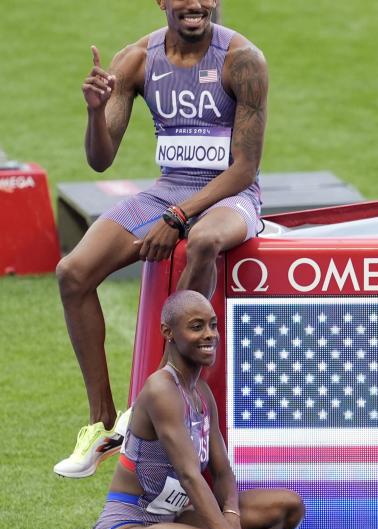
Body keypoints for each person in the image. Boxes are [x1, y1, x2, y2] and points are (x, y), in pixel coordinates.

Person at [55, 0, 267, 479]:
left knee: (203, 243)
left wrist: (180, 215)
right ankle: (103, 422)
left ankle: (153, 394)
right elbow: (100, 160)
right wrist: (93, 112)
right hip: (168, 189)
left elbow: (244, 169)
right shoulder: (135, 59)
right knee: (72, 272)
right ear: (162, 2)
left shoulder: (243, 60)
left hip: (230, 196)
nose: (195, 4)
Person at [92, 290, 303, 529]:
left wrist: (232, 520)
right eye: (196, 326)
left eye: (213, 325)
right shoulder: (161, 388)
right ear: (168, 332)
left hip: (172, 522)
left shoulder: (200, 393)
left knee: (286, 508)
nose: (209, 334)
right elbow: (191, 475)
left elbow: (221, 472)